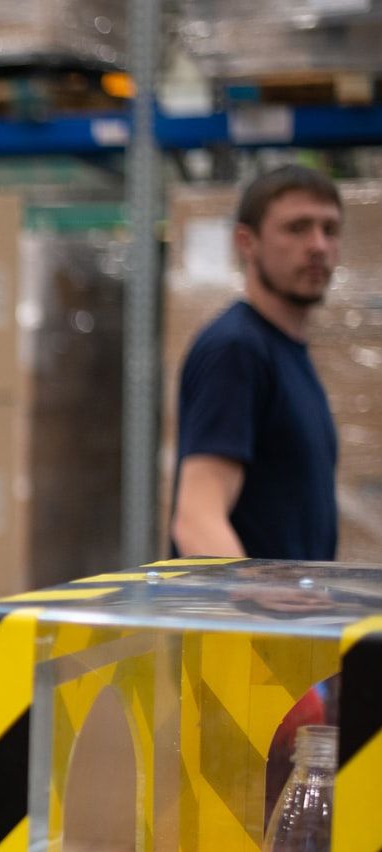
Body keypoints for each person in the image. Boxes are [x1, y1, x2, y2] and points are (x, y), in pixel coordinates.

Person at [171, 165, 342, 561]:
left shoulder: (286, 349)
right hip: (259, 621)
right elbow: (196, 522)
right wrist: (263, 620)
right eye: (297, 228)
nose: (318, 245)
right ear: (247, 243)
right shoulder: (236, 350)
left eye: (329, 229)